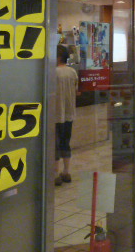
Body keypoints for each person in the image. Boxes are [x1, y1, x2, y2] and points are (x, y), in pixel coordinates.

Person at [55, 44, 79, 186]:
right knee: (65, 142)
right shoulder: (72, 72)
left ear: (58, 57)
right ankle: (66, 171)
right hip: (70, 113)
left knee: (55, 145)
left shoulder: (53, 72)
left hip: (56, 113)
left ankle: (55, 174)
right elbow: (76, 91)